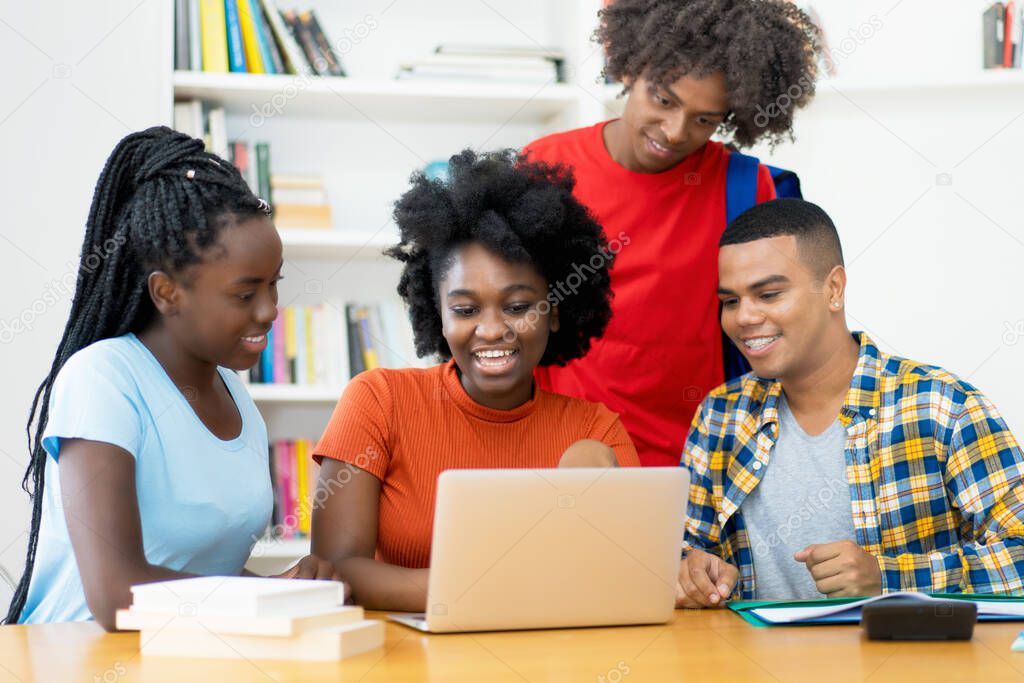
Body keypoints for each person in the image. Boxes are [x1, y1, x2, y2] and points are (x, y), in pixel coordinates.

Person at [5, 127, 340, 631]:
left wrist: (282, 587)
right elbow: (118, 596)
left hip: (182, 657)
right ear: (167, 293)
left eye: (274, 286)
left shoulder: (237, 400)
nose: (271, 310)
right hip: (74, 660)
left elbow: (199, 577)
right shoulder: (103, 380)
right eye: (245, 294)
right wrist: (263, 596)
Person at [310, 150, 640, 612]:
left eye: (519, 306)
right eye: (465, 310)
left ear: (557, 311)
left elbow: (625, 576)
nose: (491, 330)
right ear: (438, 316)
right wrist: (500, 587)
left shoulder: (596, 431)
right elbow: (333, 571)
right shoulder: (379, 399)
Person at [677, 198, 1024, 606]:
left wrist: (888, 578)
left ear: (834, 289)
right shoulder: (719, 416)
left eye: (768, 294)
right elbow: (685, 552)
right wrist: (695, 574)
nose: (743, 318)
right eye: (730, 301)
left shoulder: (941, 406)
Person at [523, 0, 822, 466]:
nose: (676, 131)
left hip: (698, 463)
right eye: (663, 100)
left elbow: (777, 326)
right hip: (561, 453)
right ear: (630, 69)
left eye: (705, 120)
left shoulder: (743, 187)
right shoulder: (546, 168)